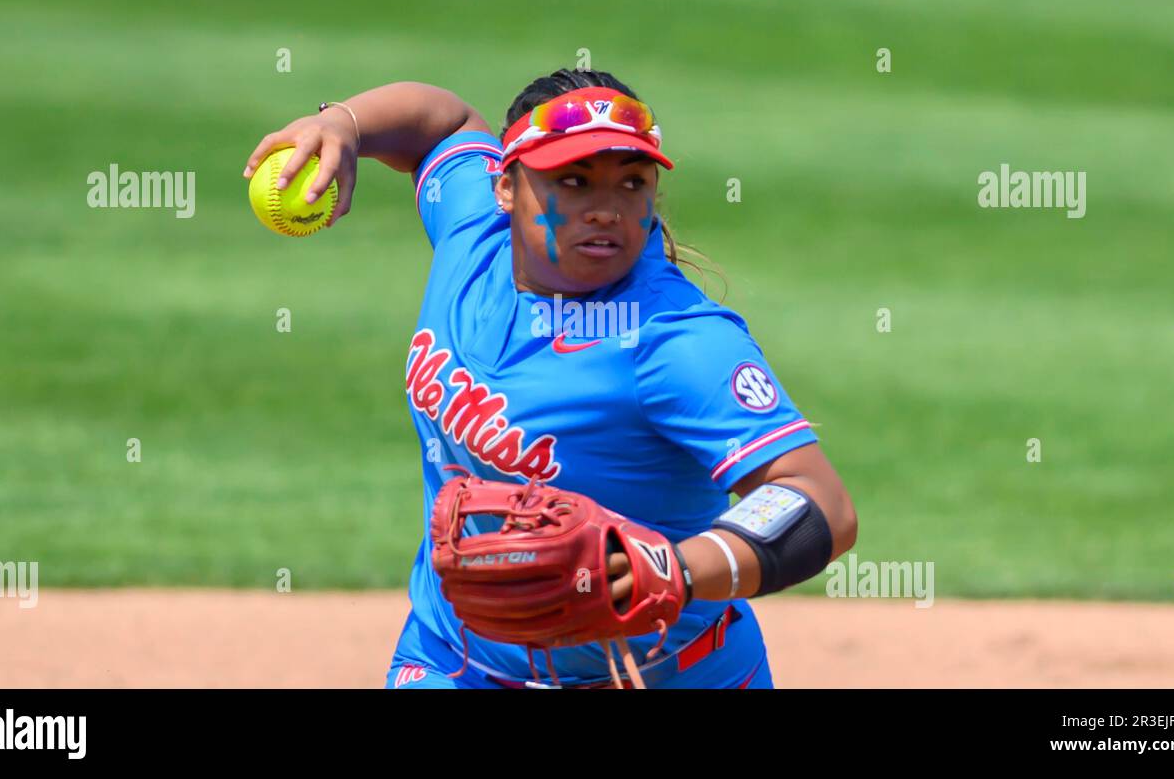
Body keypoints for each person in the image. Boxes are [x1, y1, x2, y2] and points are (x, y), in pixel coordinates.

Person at [244, 69, 858, 689]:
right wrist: (342, 124)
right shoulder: (473, 238)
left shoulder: (675, 339)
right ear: (505, 187)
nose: (606, 210)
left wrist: (676, 568)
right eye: (573, 180)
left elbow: (819, 503)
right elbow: (445, 120)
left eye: (631, 183)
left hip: (667, 674)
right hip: (456, 662)